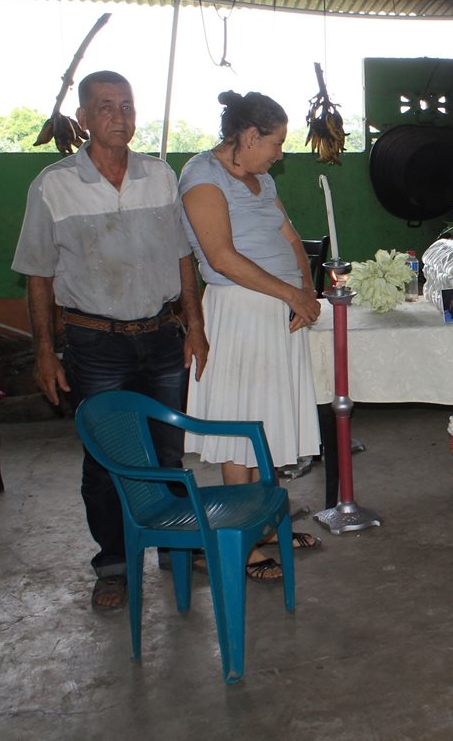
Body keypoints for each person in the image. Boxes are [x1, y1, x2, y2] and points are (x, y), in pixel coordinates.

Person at [12, 70, 209, 611]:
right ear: (83, 119)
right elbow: (38, 274)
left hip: (163, 338)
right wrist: (45, 351)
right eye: (105, 106)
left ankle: (172, 546)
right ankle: (115, 566)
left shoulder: (160, 176)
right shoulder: (54, 185)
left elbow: (183, 257)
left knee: (168, 453)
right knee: (106, 459)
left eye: (126, 105)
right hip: (95, 343)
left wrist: (194, 326)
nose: (119, 116)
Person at [179, 90, 323, 583]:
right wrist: (291, 293)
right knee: (242, 429)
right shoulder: (202, 177)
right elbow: (220, 257)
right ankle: (237, 544)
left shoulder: (258, 177)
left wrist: (305, 290)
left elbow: (289, 238)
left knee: (267, 423)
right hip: (238, 312)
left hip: (277, 312)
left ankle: (261, 528)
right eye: (276, 142)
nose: (280, 154)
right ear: (248, 136)